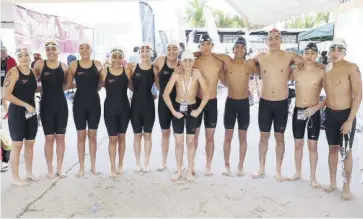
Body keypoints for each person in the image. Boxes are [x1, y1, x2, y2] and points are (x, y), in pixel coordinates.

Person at [251, 28, 305, 181]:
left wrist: (293, 71)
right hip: (265, 102)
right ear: (266, 41)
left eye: (276, 38)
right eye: (270, 38)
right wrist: (257, 72)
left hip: (281, 103)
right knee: (263, 136)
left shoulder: (289, 56)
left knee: (279, 137)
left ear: (281, 40)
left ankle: (278, 170)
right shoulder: (260, 57)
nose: (273, 41)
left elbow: (305, 62)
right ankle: (261, 168)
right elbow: (248, 64)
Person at [209, 37, 259, 176]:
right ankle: (226, 165)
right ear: (233, 49)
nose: (239, 49)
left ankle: (240, 166)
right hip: (230, 102)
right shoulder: (227, 60)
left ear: (245, 50)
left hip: (243, 104)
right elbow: (208, 53)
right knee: (227, 136)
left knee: (243, 137)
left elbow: (264, 70)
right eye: (237, 47)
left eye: (242, 47)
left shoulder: (249, 64)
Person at [323, 39, 362, 201]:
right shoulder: (327, 68)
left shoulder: (351, 67)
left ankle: (346, 186)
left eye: (339, 49)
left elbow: (358, 94)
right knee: (332, 149)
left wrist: (350, 120)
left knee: (345, 152)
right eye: (332, 49)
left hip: (345, 115)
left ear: (344, 52)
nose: (335, 52)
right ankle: (333, 182)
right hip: (330, 114)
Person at [163, 49, 209, 182]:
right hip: (178, 108)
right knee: (178, 142)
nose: (188, 63)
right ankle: (179, 170)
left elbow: (206, 93)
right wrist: (173, 111)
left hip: (192, 109)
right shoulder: (176, 75)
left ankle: (189, 171)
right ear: (181, 62)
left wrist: (199, 110)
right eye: (185, 60)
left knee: (190, 142)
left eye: (190, 60)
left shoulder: (197, 74)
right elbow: (166, 94)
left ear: (193, 62)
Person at [288, 42, 326, 188]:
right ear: (302, 54)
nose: (309, 56)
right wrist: (295, 63)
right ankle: (298, 172)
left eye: (312, 53)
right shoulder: (296, 71)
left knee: (313, 146)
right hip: (299, 110)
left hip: (313, 112)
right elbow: (282, 73)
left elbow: (330, 97)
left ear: (316, 55)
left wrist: (317, 108)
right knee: (298, 144)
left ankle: (313, 177)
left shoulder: (321, 72)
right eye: (306, 53)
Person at [188, 33, 224, 176]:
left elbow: (226, 80)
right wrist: (198, 53)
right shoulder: (194, 61)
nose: (205, 47)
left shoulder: (218, 62)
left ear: (212, 45)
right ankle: (192, 164)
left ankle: (208, 165)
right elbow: (184, 57)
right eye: (202, 44)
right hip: (197, 101)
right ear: (199, 46)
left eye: (208, 44)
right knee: (194, 136)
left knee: (210, 136)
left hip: (212, 103)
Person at [3, 46, 39, 186]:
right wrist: (25, 104)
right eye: (21, 55)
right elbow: (6, 95)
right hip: (17, 113)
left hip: (31, 112)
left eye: (26, 55)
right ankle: (15, 177)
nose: (24, 58)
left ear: (30, 56)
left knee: (30, 143)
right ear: (17, 57)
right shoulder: (13, 72)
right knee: (17, 145)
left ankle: (29, 173)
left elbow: (32, 91)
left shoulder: (33, 72)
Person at [67, 41, 103, 177]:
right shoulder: (73, 65)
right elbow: (69, 84)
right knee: (81, 136)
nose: (84, 50)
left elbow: (100, 84)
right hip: (79, 103)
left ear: (91, 50)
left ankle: (93, 166)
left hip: (94, 103)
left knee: (92, 136)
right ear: (79, 51)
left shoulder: (98, 64)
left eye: (87, 47)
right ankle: (81, 167)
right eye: (81, 48)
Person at [33, 40, 68, 179]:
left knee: (60, 138)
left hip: (61, 106)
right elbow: (32, 82)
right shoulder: (40, 65)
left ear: (58, 51)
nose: (51, 51)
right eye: (48, 49)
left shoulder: (64, 66)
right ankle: (50, 168)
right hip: (46, 105)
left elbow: (65, 84)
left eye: (53, 49)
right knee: (49, 139)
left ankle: (60, 167)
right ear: (45, 52)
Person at [100, 48, 131, 178]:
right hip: (110, 109)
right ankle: (112, 167)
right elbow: (97, 86)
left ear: (123, 58)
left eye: (120, 57)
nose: (117, 60)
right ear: (110, 58)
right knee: (113, 138)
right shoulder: (104, 72)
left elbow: (133, 87)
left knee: (122, 137)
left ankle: (120, 164)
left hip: (124, 108)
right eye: (114, 57)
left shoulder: (128, 70)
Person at [129, 42, 157, 173]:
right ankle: (137, 162)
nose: (145, 53)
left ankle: (146, 162)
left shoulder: (154, 69)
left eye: (147, 51)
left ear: (151, 52)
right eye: (142, 51)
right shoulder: (133, 67)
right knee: (137, 135)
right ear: (139, 53)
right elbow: (129, 85)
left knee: (148, 135)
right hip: (135, 105)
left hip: (149, 106)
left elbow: (159, 86)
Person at [153, 40, 180, 171]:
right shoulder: (160, 61)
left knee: (178, 134)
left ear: (179, 50)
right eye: (169, 48)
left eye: (174, 48)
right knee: (165, 133)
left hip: (178, 103)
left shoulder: (182, 63)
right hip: (163, 103)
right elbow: (149, 71)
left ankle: (178, 163)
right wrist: (159, 90)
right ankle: (163, 162)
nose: (171, 51)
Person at [1, 45, 17, 118]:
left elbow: (16, 70)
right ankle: (8, 112)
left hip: (10, 82)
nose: (2, 53)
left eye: (3, 51)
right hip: (1, 82)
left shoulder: (11, 60)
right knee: (3, 98)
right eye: (0, 51)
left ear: (6, 52)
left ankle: (13, 111)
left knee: (11, 97)